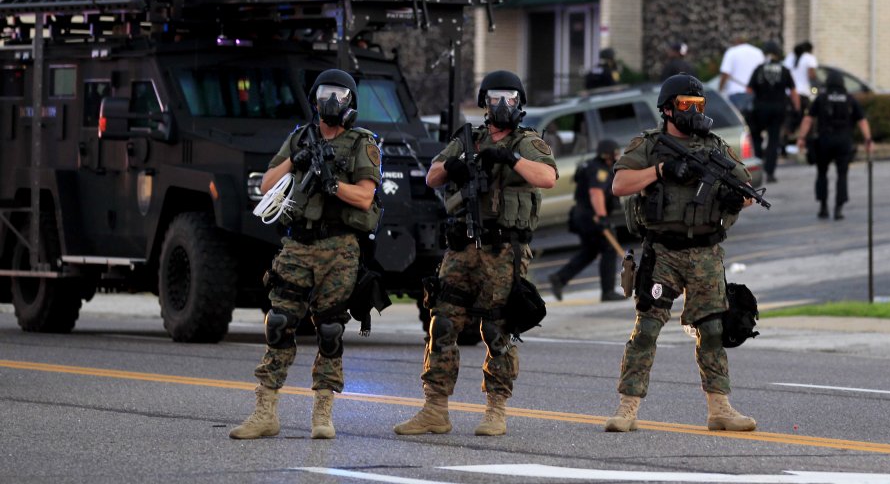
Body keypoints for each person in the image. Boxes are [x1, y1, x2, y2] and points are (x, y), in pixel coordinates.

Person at [394, 70, 557, 437]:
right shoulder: (469, 139)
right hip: (462, 247)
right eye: (495, 97)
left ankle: (496, 409)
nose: (502, 105)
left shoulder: (527, 141)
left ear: (519, 102)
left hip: (503, 249)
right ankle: (435, 409)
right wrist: (452, 166)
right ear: (484, 101)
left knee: (497, 327)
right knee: (443, 322)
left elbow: (547, 177)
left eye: (509, 98)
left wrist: (510, 158)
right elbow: (432, 176)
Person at [230, 69, 382, 440]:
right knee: (279, 321)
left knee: (330, 329)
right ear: (314, 98)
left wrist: (332, 185)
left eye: (339, 94)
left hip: (339, 247)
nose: (332, 101)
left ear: (351, 102)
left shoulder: (362, 143)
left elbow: (365, 197)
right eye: (326, 93)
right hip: (297, 244)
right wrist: (295, 160)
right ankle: (265, 412)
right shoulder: (300, 138)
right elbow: (266, 184)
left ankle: (322, 414)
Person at [604, 74, 757, 434]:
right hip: (663, 252)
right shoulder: (649, 145)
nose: (694, 111)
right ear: (668, 109)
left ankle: (719, 408)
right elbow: (620, 184)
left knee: (713, 330)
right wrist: (660, 170)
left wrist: (736, 197)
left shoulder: (714, 146)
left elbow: (747, 189)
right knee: (647, 328)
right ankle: (627, 407)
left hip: (705, 252)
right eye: (687, 105)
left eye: (699, 105)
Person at [548, 138, 625, 302]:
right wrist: (602, 217)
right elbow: (596, 193)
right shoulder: (600, 170)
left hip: (582, 215)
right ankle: (608, 292)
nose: (617, 156)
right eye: (615, 154)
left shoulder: (592, 165)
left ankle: (560, 278)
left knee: (590, 251)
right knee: (609, 249)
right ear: (607, 155)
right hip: (592, 216)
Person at [795, 70, 872, 219]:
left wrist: (801, 138)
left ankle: (823, 207)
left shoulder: (821, 98)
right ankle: (838, 208)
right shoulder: (849, 99)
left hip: (824, 141)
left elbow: (808, 119)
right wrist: (868, 140)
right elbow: (862, 121)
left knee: (822, 173)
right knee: (842, 175)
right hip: (844, 141)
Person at [746, 41, 800, 183]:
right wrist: (797, 108)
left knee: (756, 138)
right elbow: (793, 92)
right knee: (774, 140)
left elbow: (749, 90)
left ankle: (758, 168)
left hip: (759, 109)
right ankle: (770, 173)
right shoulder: (784, 70)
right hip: (778, 109)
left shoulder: (759, 69)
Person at [718, 36, 764, 115]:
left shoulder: (732, 52)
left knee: (739, 119)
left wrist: (720, 90)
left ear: (737, 41)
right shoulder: (758, 52)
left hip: (736, 93)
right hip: (756, 93)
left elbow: (725, 73)